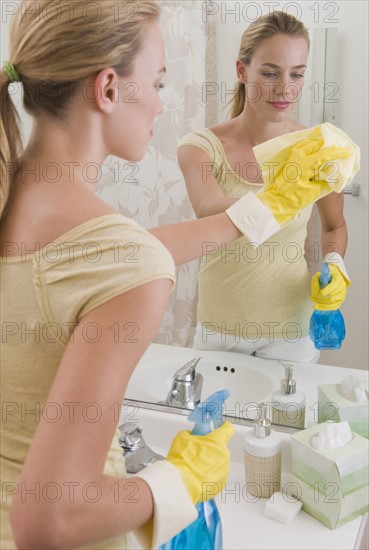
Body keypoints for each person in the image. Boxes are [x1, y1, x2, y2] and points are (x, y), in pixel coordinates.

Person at [0, 2, 356, 549]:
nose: (164, 106)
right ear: (109, 89)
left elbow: (125, 253)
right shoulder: (129, 260)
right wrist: (179, 480)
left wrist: (272, 214)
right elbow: (52, 518)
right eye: (159, 83)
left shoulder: (13, 202)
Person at [177, 11, 353, 363]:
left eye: (297, 74)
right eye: (270, 73)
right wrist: (278, 196)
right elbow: (208, 209)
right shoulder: (200, 146)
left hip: (292, 330)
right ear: (242, 71)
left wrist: (334, 263)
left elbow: (334, 226)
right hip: (220, 329)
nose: (285, 88)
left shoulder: (318, 149)